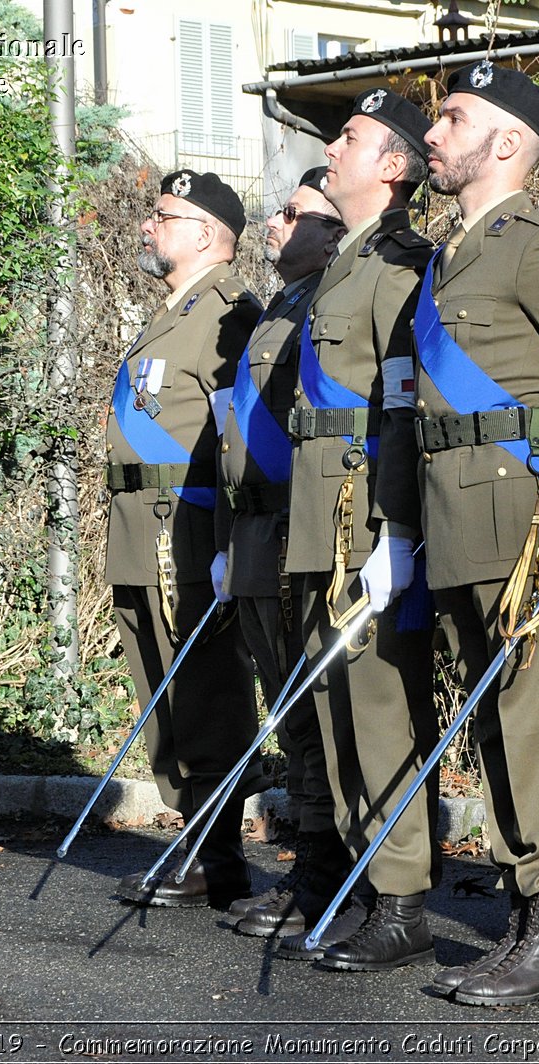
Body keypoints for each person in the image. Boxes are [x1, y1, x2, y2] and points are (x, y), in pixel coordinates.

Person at [374, 60, 539, 1006]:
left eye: (453, 117)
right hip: (453, 514)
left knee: (538, 719)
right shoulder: (453, 254)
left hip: (520, 514)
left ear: (507, 143)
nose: (434, 134)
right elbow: (414, 409)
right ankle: (530, 918)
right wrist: (398, 526)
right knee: (494, 722)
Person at [235, 90, 442, 976]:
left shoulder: (402, 265)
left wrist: (396, 526)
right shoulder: (344, 266)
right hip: (322, 515)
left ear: (392, 169)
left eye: (351, 138)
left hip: (366, 512)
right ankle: (358, 876)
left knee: (381, 709)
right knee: (335, 711)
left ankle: (401, 900)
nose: (334, 146)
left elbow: (404, 407)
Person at [107, 171, 265, 908]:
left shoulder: (230, 315)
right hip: (139, 526)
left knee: (206, 689)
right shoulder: (168, 314)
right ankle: (195, 831)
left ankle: (218, 848)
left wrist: (232, 540)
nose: (148, 226)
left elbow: (240, 440)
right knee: (160, 686)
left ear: (206, 233)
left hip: (191, 532)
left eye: (164, 216)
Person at [214, 168, 351, 927]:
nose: (276, 221)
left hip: (303, 526)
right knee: (291, 711)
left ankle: (327, 874)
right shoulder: (278, 309)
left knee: (317, 711)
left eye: (296, 213)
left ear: (334, 233)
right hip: (259, 527)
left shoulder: (328, 305)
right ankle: (312, 868)